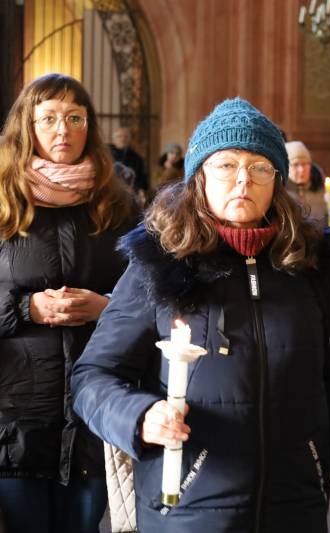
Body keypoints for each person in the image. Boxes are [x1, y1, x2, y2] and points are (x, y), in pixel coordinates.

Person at [71, 97, 330, 532]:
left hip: (294, 508)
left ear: (277, 180)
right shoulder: (159, 262)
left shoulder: (309, 266)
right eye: (226, 165)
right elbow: (92, 378)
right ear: (199, 176)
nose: (243, 180)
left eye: (259, 167)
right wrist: (140, 417)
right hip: (187, 510)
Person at [0, 73, 138, 533]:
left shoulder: (118, 205)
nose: (63, 130)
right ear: (28, 127)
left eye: (75, 118)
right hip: (16, 416)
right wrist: (26, 309)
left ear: (90, 127)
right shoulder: (3, 201)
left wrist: (107, 307)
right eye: (50, 118)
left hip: (93, 411)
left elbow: (148, 293)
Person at [285, 140, 330, 229]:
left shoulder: (323, 193)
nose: (302, 169)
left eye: (305, 164)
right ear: (286, 167)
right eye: (296, 164)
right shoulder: (282, 194)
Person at [109, 125, 149, 197]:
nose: (123, 139)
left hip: (130, 195)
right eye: (119, 136)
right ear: (113, 139)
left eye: (126, 136)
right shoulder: (106, 155)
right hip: (110, 193)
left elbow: (142, 180)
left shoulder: (137, 158)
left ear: (129, 139)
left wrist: (134, 188)